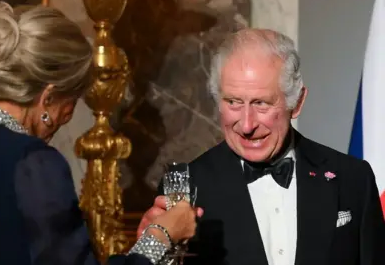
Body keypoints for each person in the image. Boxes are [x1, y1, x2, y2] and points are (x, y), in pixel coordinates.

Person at [0, 2, 203, 265]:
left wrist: (141, 246)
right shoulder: (32, 164)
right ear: (48, 98)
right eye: (72, 102)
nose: (68, 118)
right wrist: (161, 235)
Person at [138, 29, 385, 265]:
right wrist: (154, 249)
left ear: (297, 102)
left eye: (261, 104)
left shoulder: (353, 179)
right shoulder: (186, 188)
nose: (246, 125)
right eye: (233, 102)